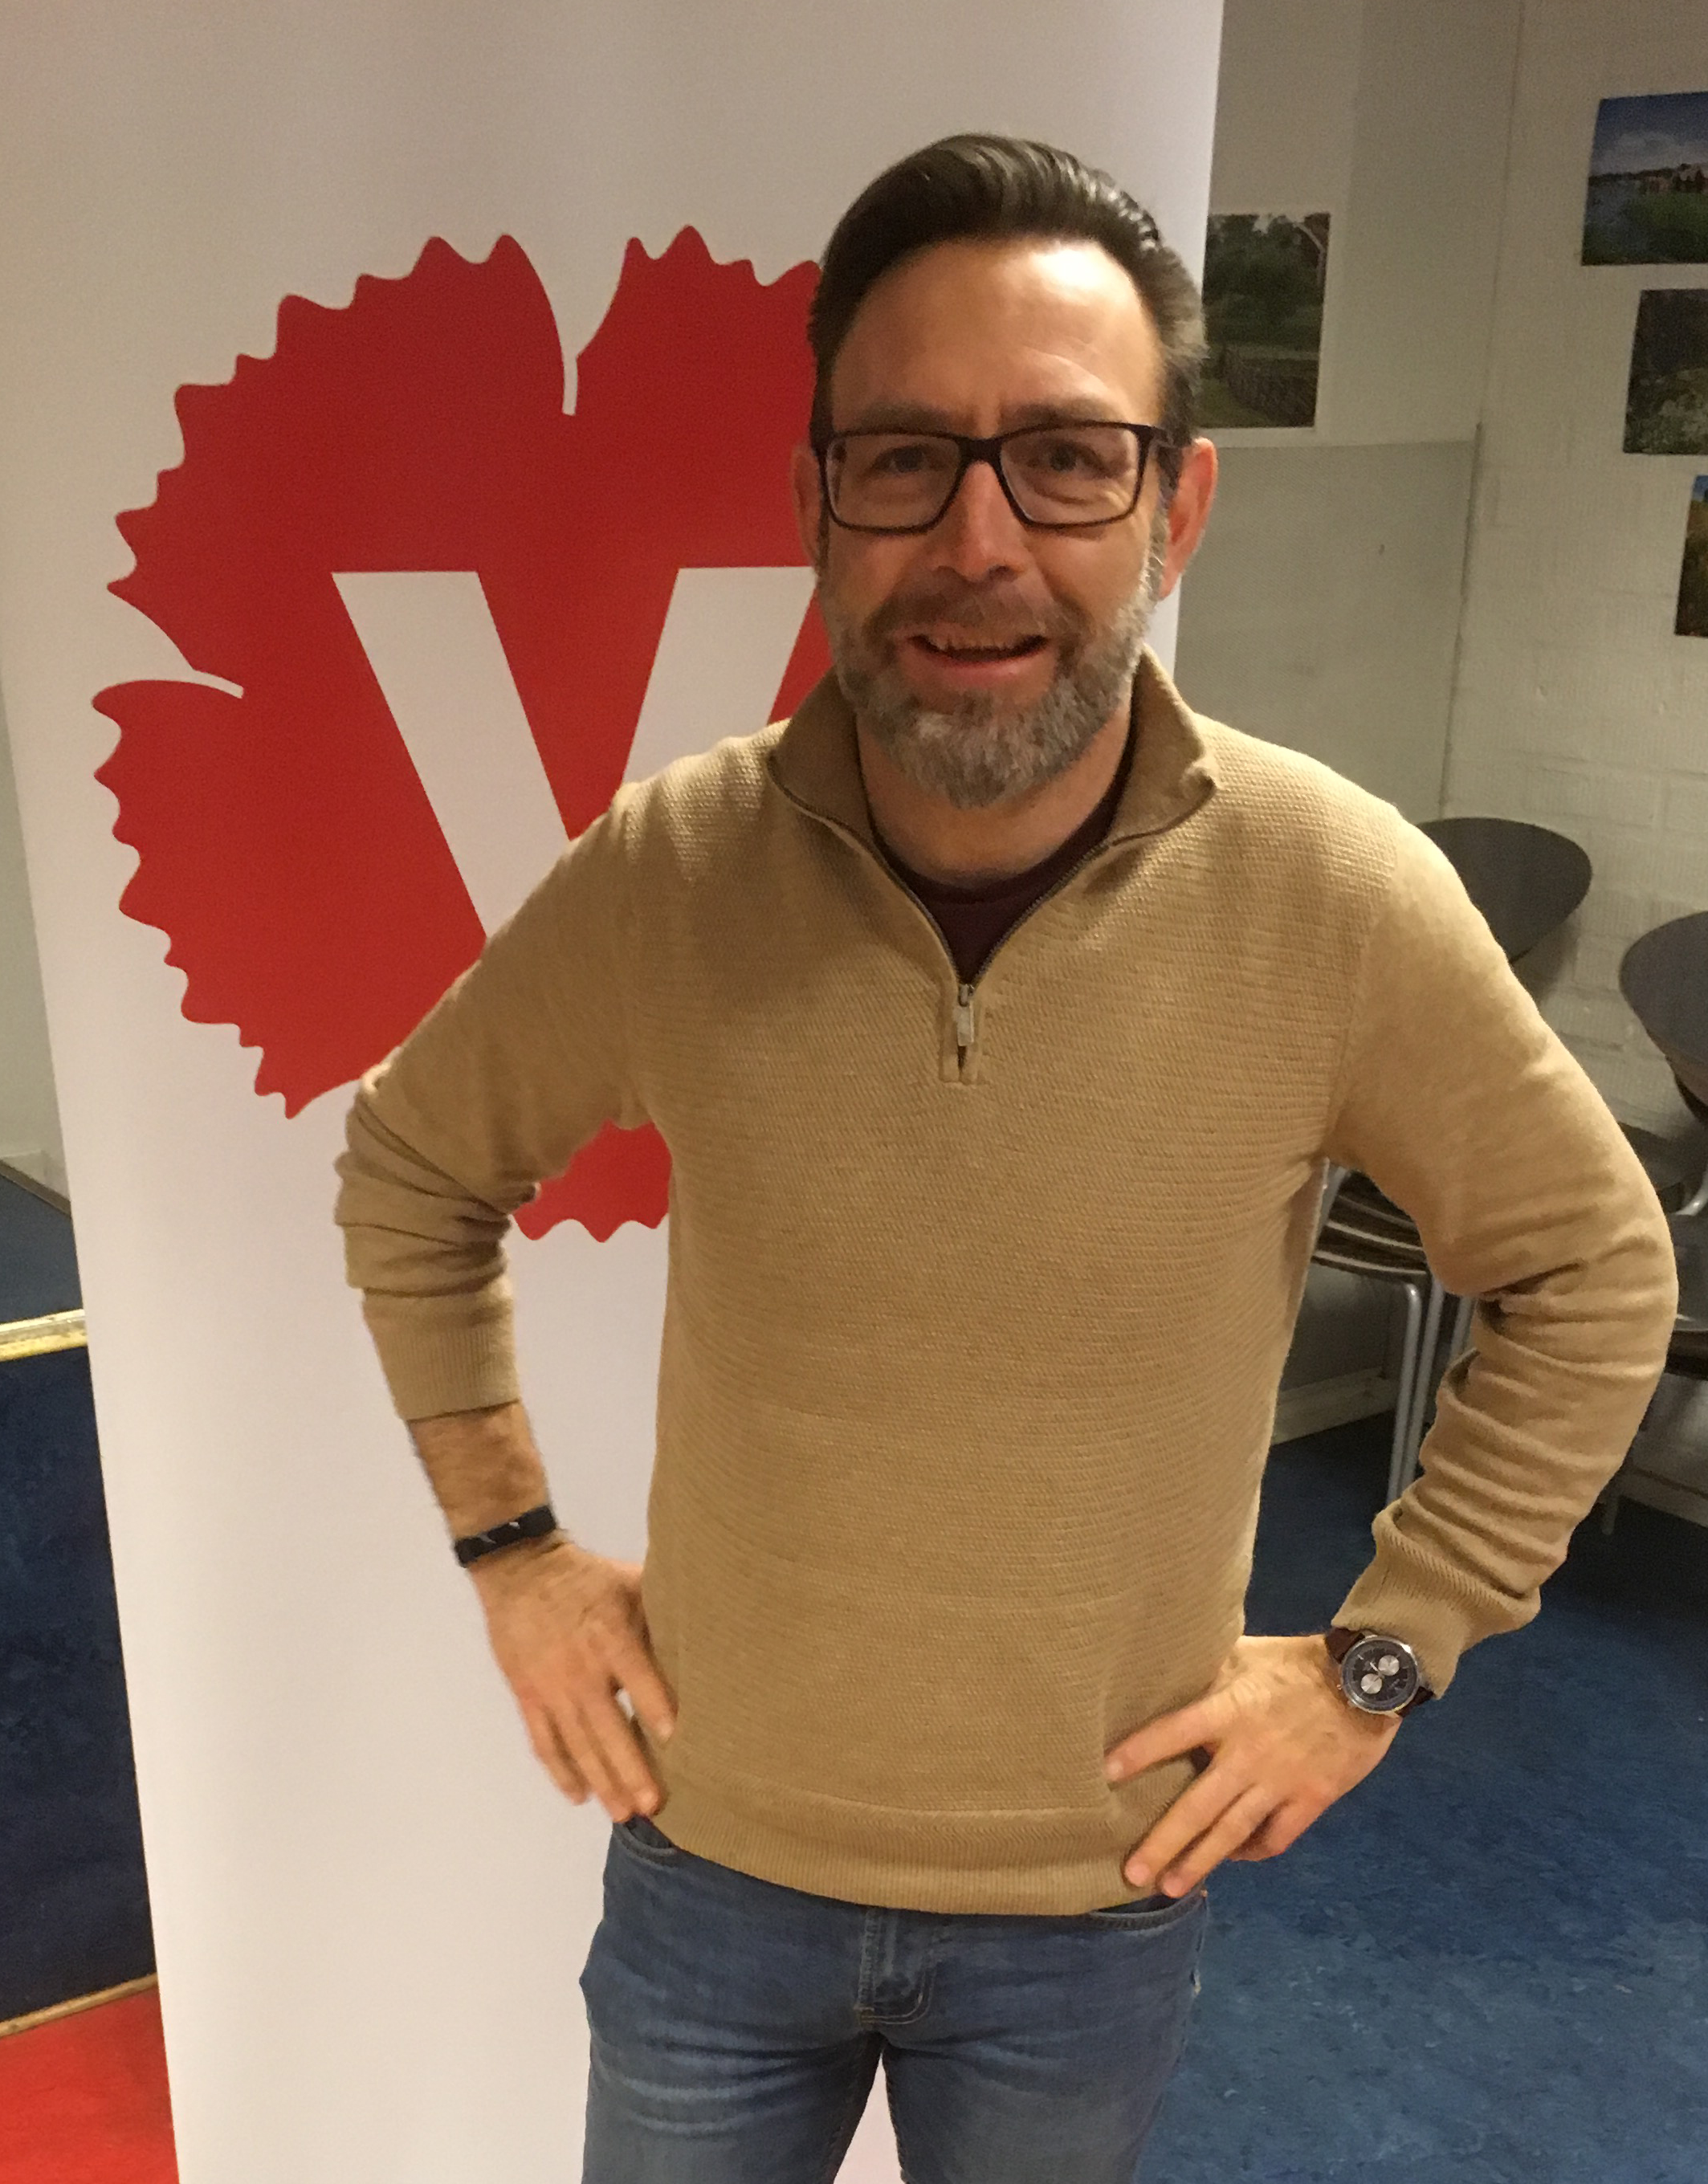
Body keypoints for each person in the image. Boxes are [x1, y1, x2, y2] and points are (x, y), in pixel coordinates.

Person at [333, 135, 1677, 2182]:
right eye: (905, 459)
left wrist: (1383, 1652)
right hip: (712, 1862)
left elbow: (1592, 1267)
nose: (980, 541)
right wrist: (511, 1554)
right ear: (816, 504)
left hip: (1097, 1898)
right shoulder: (675, 868)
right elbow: (413, 1171)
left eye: (1063, 459)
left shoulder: (1331, 894)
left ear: (1175, 506)